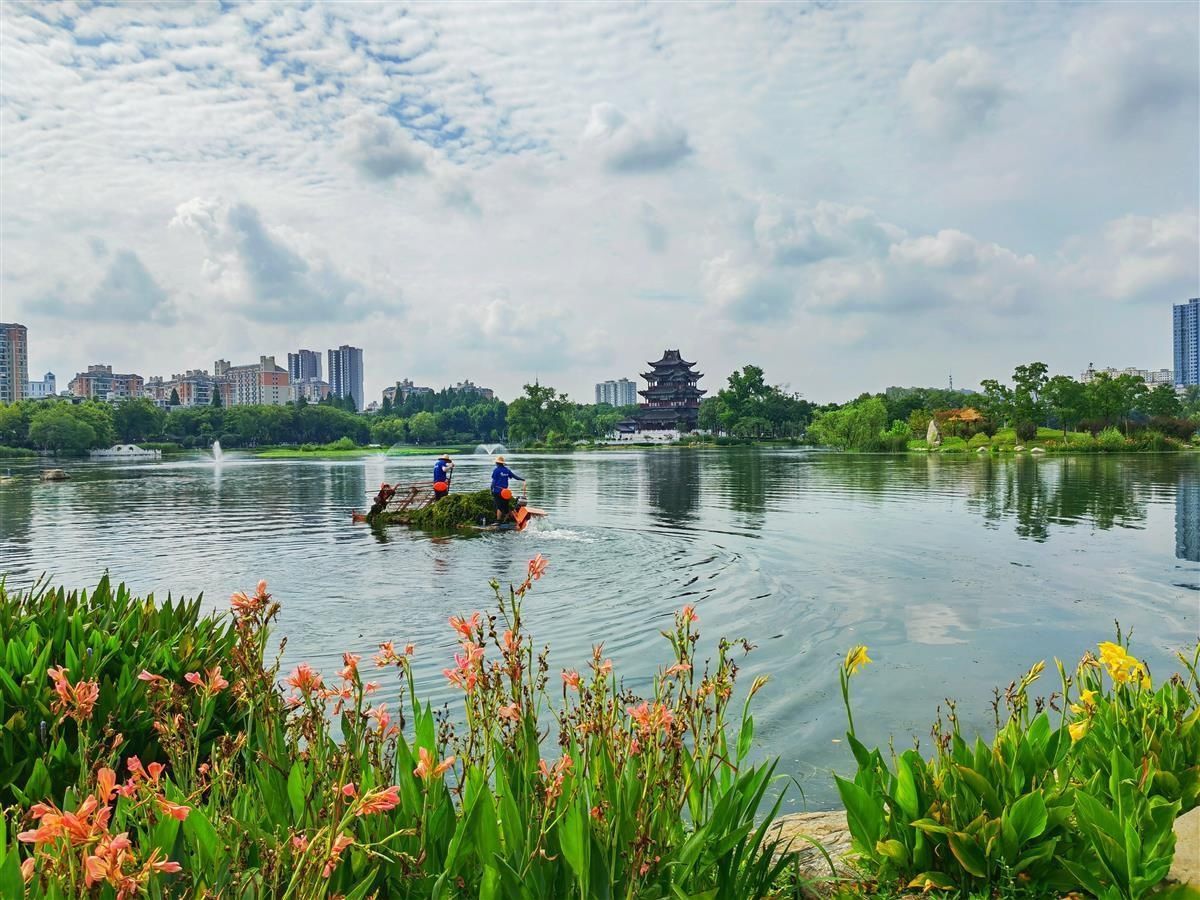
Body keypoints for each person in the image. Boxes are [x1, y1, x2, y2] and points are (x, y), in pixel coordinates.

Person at [490, 455, 524, 522]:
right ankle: (506, 520)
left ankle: (498, 521)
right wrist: (522, 479)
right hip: (505, 492)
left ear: (497, 463)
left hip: (498, 491)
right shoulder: (507, 470)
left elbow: (493, 481)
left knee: (499, 507)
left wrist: (491, 490)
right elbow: (515, 476)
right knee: (505, 506)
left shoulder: (496, 470)